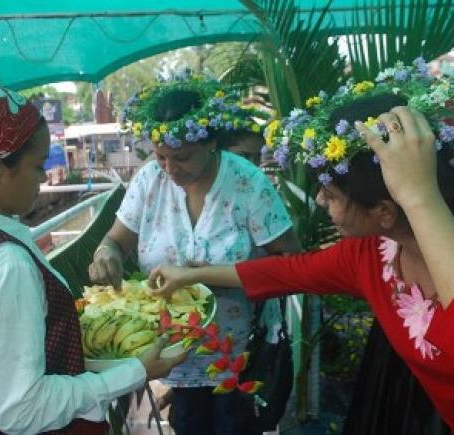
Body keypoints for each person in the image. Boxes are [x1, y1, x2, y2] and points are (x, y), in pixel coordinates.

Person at [148, 61, 454, 434]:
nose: (318, 202)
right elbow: (287, 270)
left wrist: (422, 199)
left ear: (383, 211)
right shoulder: (374, 254)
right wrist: (191, 275)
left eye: (330, 194)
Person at [0, 86, 183, 434]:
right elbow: (21, 410)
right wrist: (136, 371)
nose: (44, 178)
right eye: (38, 166)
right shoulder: (5, 263)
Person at [89, 78, 301, 435]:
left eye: (182, 157)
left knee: (234, 424)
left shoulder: (247, 184)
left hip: (237, 356)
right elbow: (115, 240)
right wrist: (105, 253)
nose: (170, 169)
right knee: (188, 424)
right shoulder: (149, 180)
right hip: (173, 356)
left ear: (212, 142)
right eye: (161, 156)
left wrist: (207, 275)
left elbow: (293, 264)